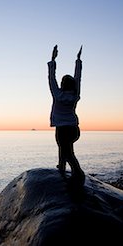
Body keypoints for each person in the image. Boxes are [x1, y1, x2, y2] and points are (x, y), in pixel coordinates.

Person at [47, 45, 85, 186]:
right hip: (74, 129)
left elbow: (51, 78)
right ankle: (62, 166)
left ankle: (78, 172)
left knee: (65, 149)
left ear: (62, 84)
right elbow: (78, 77)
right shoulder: (75, 95)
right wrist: (78, 60)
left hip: (63, 129)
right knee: (66, 148)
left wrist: (52, 60)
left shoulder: (57, 95)